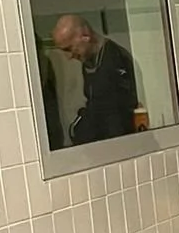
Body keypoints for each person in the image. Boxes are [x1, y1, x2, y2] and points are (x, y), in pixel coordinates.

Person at [51, 15, 140, 144]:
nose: (69, 56)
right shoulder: (89, 61)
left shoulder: (115, 59)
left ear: (85, 36)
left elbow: (119, 112)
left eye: (69, 48)